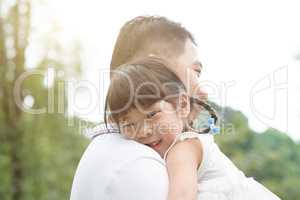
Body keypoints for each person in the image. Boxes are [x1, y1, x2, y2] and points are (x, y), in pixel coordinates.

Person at [71, 16, 212, 199]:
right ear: (155, 68)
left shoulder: (115, 152)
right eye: (195, 71)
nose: (204, 92)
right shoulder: (139, 165)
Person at [104, 56, 281, 200]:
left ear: (182, 105)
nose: (143, 131)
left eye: (152, 115)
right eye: (128, 124)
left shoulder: (183, 148)